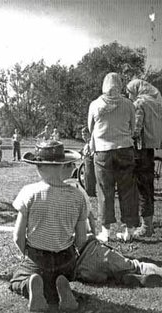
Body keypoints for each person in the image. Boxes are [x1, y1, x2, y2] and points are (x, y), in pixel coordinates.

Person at [9, 141, 87, 312]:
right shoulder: (78, 196)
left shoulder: (29, 192)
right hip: (65, 257)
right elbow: (82, 238)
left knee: (17, 280)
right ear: (63, 165)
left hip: (38, 257)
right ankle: (62, 286)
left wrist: (27, 255)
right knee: (58, 277)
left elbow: (17, 236)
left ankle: (31, 285)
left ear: (40, 167)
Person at [64, 178, 162, 288]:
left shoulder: (45, 198)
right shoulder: (75, 191)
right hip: (90, 252)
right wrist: (94, 237)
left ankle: (119, 276)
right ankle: (133, 272)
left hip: (75, 269)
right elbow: (88, 223)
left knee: (103, 271)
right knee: (135, 265)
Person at [88, 72, 138, 243]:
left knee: (104, 191)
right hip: (125, 149)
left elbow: (90, 128)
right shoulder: (129, 104)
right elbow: (133, 129)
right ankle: (129, 230)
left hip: (102, 151)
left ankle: (105, 232)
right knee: (128, 191)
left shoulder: (95, 104)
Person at [126, 79, 162, 238]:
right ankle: (147, 223)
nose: (129, 95)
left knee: (141, 187)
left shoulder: (139, 103)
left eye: (129, 91)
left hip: (139, 149)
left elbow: (135, 129)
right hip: (149, 149)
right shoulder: (155, 103)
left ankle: (146, 227)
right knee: (148, 187)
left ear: (136, 89)